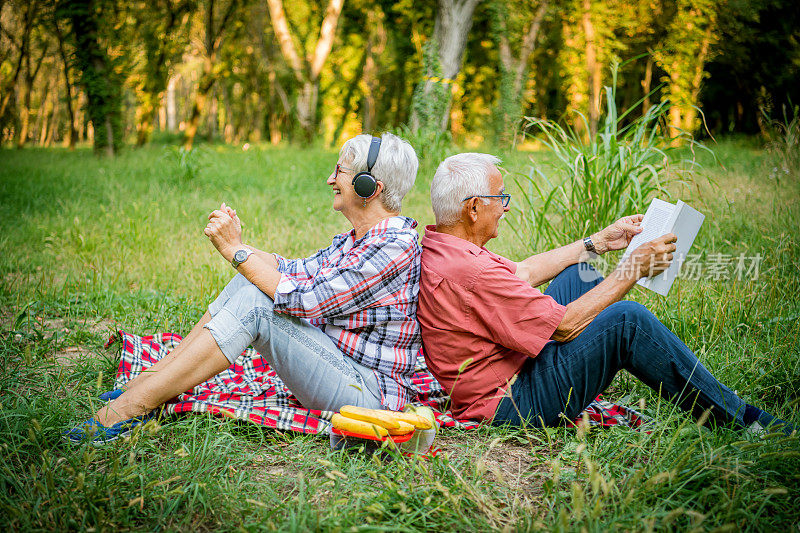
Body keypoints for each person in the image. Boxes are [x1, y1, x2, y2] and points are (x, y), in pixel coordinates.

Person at [66, 133, 423, 444]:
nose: (331, 179)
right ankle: (152, 381)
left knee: (256, 301)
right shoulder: (360, 239)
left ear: (367, 188)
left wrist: (234, 252)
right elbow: (293, 271)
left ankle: (129, 409)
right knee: (248, 280)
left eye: (340, 173)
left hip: (367, 395)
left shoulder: (394, 246)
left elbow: (305, 300)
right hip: (341, 366)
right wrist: (242, 246)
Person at [417, 152, 794, 435]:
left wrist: (598, 241)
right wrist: (631, 269)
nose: (505, 206)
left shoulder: (444, 246)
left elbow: (524, 271)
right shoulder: (473, 272)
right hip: (512, 401)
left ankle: (606, 359)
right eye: (501, 197)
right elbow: (563, 327)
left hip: (505, 371)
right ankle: (745, 423)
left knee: (579, 274)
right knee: (628, 320)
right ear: (473, 208)